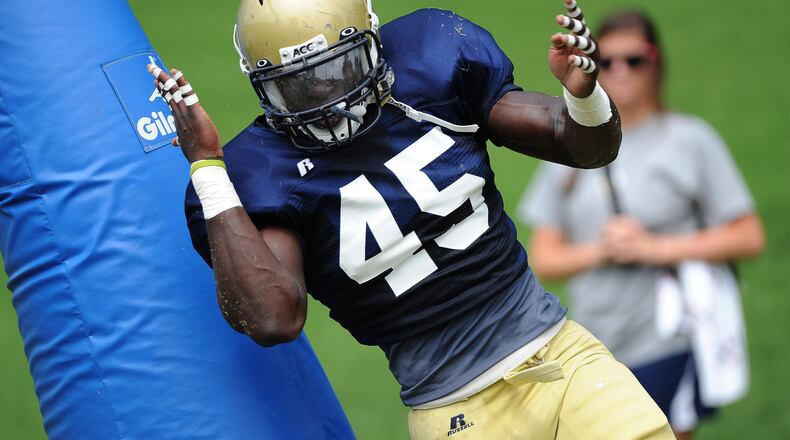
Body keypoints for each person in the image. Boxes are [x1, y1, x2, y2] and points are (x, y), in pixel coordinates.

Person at [150, 0, 675, 438]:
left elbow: (581, 145)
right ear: (262, 87)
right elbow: (273, 318)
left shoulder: (432, 59)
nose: (329, 101)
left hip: (563, 358)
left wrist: (582, 98)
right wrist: (207, 167)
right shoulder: (262, 171)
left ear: (373, 44)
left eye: (337, 70)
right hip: (456, 415)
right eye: (300, 86)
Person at [518, 9, 765, 440]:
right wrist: (604, 250)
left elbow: (748, 235)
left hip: (669, 340)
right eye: (607, 61)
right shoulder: (571, 147)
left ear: (657, 62)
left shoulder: (690, 139)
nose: (620, 71)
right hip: (594, 352)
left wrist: (654, 248)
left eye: (635, 59)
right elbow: (544, 257)